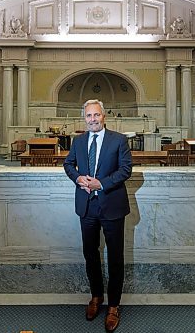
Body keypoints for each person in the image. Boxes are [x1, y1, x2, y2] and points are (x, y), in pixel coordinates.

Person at [63, 99, 132, 332]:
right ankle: (96, 297)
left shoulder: (119, 140)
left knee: (115, 258)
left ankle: (113, 305)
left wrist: (101, 184)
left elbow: (125, 170)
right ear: (84, 118)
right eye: (89, 116)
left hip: (112, 206)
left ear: (104, 116)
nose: (93, 119)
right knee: (90, 255)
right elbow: (68, 164)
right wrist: (77, 178)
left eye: (96, 115)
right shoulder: (78, 140)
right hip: (87, 207)